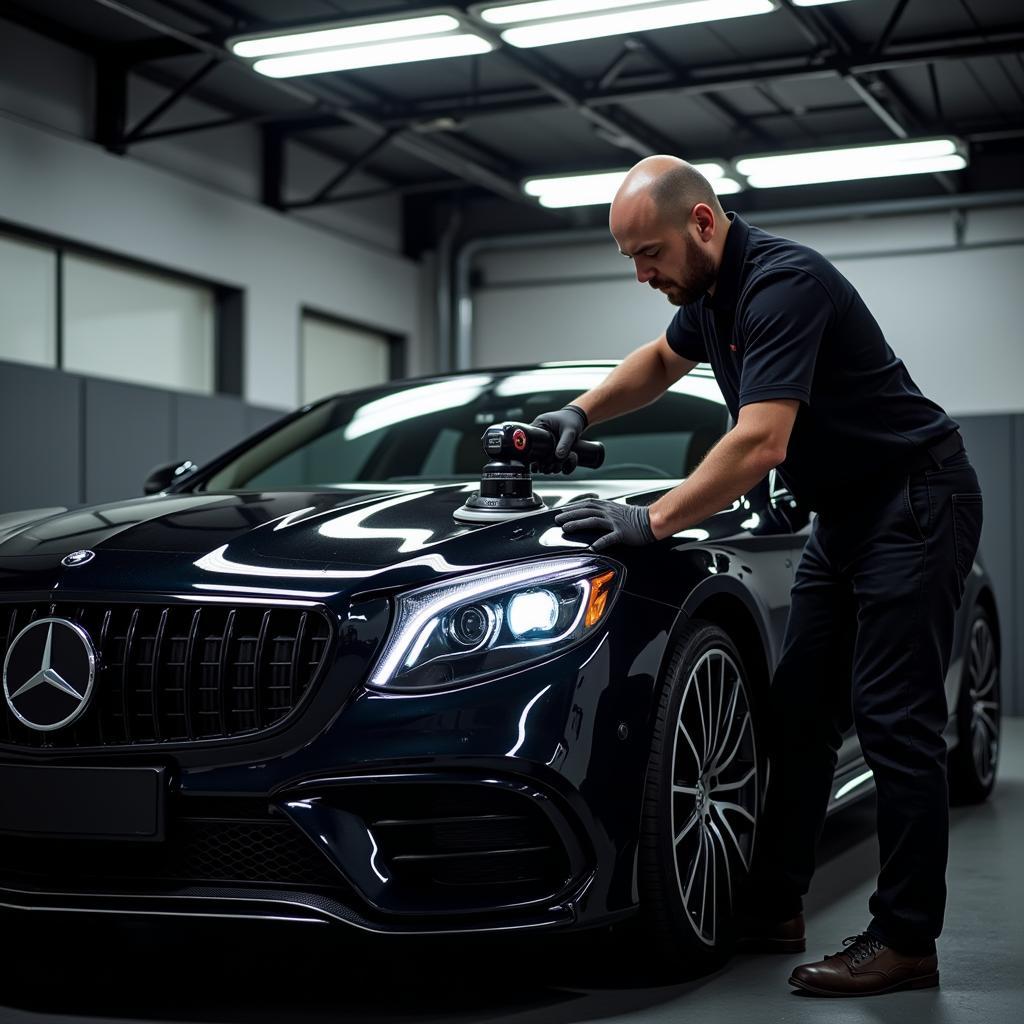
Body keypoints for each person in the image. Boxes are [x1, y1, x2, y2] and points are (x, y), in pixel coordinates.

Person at [536, 155, 983, 996]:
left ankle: (905, 940)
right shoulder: (706, 298)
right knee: (799, 713)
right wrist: (579, 410)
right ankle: (773, 903)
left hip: (915, 497)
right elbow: (659, 364)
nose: (643, 274)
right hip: (845, 513)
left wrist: (654, 518)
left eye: (650, 252)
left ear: (703, 223)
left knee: (895, 723)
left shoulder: (784, 285)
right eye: (629, 258)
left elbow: (760, 441)